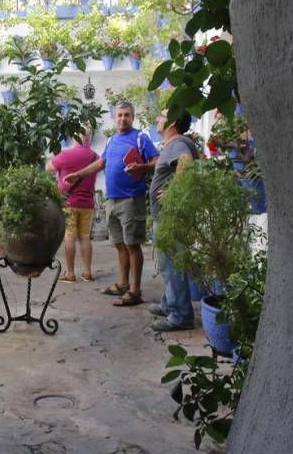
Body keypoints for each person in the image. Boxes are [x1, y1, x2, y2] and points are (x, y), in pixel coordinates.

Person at [64, 100, 158, 307]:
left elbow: (156, 161)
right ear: (114, 118)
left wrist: (142, 167)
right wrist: (78, 175)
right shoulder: (111, 140)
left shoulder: (141, 137)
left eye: (126, 115)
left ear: (132, 117)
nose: (123, 118)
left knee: (132, 245)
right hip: (112, 199)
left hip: (132, 199)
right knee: (119, 244)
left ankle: (135, 290)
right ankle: (123, 284)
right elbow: (101, 163)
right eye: (119, 115)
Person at [128, 108, 199, 331]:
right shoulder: (173, 144)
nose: (157, 118)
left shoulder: (178, 143)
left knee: (171, 265)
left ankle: (180, 315)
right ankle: (170, 303)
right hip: (166, 215)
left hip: (171, 216)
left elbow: (186, 163)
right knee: (168, 264)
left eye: (161, 115)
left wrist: (173, 192)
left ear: (173, 122)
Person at [46, 127, 98, 283]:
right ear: (89, 137)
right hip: (88, 203)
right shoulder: (95, 156)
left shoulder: (66, 154)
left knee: (69, 236)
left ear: (75, 135)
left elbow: (48, 168)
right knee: (85, 237)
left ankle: (70, 273)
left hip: (69, 202)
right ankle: (87, 272)